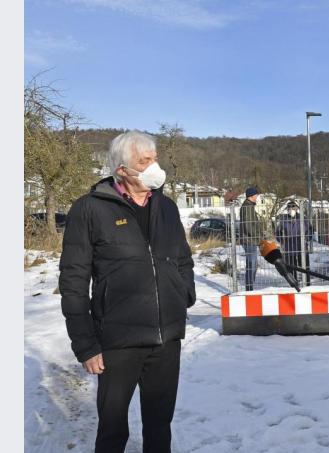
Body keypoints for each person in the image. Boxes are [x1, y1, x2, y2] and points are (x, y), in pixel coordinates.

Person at [59, 131, 196, 453]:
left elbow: (182, 259)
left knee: (160, 424)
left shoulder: (167, 207)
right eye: (144, 161)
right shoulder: (89, 209)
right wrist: (85, 344)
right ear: (122, 169)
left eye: (155, 158)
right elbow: (73, 280)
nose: (154, 167)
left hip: (166, 337)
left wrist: (183, 294)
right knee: (112, 429)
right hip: (117, 339)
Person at [274, 200, 313, 283]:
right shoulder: (283, 220)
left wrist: (307, 238)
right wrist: (282, 240)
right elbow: (277, 232)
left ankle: (307, 283)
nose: (291, 209)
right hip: (289, 248)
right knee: (291, 268)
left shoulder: (303, 218)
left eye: (293, 207)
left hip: (302, 247)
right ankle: (294, 284)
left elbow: (310, 229)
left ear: (297, 209)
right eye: (289, 208)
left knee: (305, 267)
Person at [239, 187, 263, 291]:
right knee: (251, 265)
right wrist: (257, 238)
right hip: (249, 240)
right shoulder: (247, 207)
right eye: (256, 195)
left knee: (253, 264)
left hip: (250, 240)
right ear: (251, 196)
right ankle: (249, 288)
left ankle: (250, 286)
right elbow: (248, 226)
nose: (257, 197)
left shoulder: (249, 206)